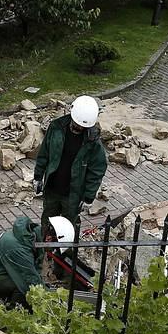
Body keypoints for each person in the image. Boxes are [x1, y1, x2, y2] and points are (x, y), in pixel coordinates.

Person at [33, 94, 107, 235]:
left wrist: (89, 197)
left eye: (82, 126)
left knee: (68, 229)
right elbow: (44, 154)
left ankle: (65, 253)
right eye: (77, 124)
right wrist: (38, 176)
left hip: (73, 195)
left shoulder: (93, 142)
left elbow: (97, 171)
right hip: (52, 189)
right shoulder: (56, 128)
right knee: (47, 223)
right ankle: (44, 252)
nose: (79, 127)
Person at [0, 215, 75, 307]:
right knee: (23, 288)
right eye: (54, 248)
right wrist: (51, 301)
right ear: (49, 238)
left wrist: (42, 285)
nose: (53, 251)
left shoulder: (32, 238)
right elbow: (28, 280)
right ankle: (12, 314)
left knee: (33, 285)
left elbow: (36, 267)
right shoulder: (18, 248)